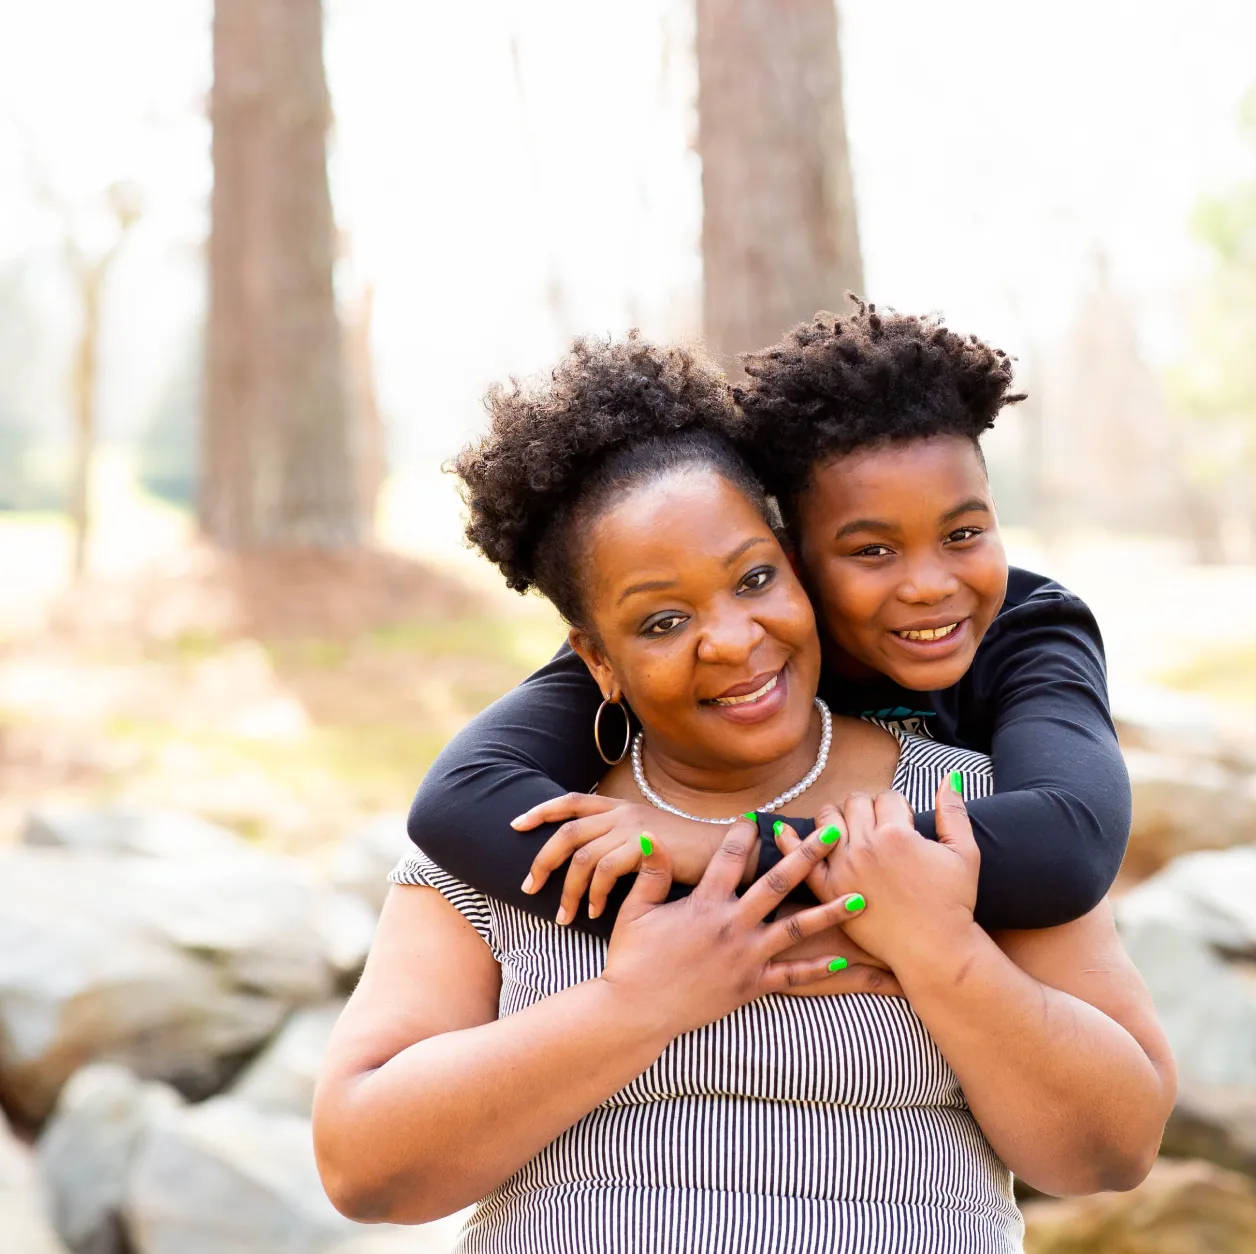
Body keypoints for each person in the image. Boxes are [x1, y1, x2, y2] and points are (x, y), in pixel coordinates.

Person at [312, 336, 1175, 1254]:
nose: (730, 639)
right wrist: (633, 1004)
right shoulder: (524, 829)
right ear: (596, 659)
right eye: (661, 622)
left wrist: (943, 955)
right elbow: (362, 1168)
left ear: (796, 567)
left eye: (755, 580)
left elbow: (1115, 1148)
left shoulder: (968, 812)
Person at [406, 301, 1130, 933]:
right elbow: (460, 803)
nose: (928, 586)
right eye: (871, 549)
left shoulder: (1028, 628)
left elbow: (1067, 847)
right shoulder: (719, 638)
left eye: (964, 535)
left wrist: (720, 847)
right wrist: (740, 918)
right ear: (794, 556)